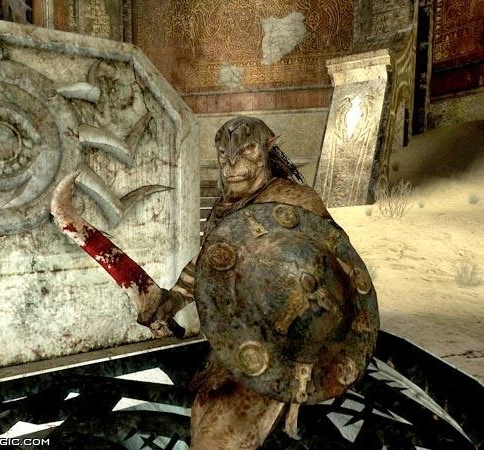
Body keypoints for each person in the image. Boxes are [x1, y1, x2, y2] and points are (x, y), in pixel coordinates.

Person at [137, 116, 378, 450]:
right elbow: (212, 263)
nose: (232, 164)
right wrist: (173, 300)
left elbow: (337, 266)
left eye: (247, 150)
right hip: (234, 344)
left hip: (282, 352)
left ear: (267, 149)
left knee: (216, 441)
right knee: (204, 419)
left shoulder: (295, 201)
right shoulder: (225, 208)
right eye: (224, 154)